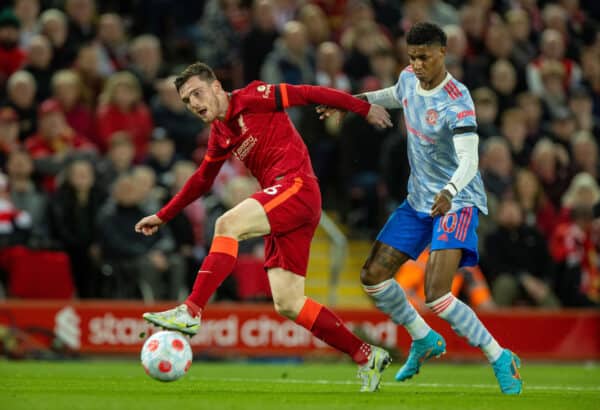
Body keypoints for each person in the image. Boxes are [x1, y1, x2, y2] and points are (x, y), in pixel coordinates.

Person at [135, 62, 393, 392]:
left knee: (227, 223)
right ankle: (365, 354)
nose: (194, 104)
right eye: (187, 100)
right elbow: (202, 180)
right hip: (288, 205)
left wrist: (363, 107)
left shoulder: (253, 95)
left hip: (296, 186)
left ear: (216, 87)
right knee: (289, 303)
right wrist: (163, 215)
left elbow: (306, 93)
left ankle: (191, 310)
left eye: (197, 93)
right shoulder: (220, 133)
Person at [318, 22, 522, 395]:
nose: (417, 64)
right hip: (418, 202)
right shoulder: (409, 77)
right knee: (372, 277)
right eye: (411, 57)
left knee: (438, 295)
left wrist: (449, 190)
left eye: (424, 57)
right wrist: (350, 103)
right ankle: (423, 337)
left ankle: (500, 356)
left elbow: (470, 161)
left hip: (456, 201)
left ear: (443, 53)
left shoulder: (458, 100)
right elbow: (394, 94)